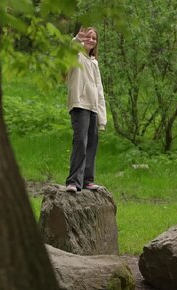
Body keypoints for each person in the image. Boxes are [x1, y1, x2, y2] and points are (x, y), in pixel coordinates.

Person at [65, 27, 107, 193]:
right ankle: (74, 181)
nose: (91, 40)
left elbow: (99, 90)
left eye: (94, 38)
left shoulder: (94, 63)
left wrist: (102, 117)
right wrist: (77, 39)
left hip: (92, 107)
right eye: (88, 37)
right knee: (80, 142)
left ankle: (87, 180)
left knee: (91, 143)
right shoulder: (77, 57)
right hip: (79, 104)